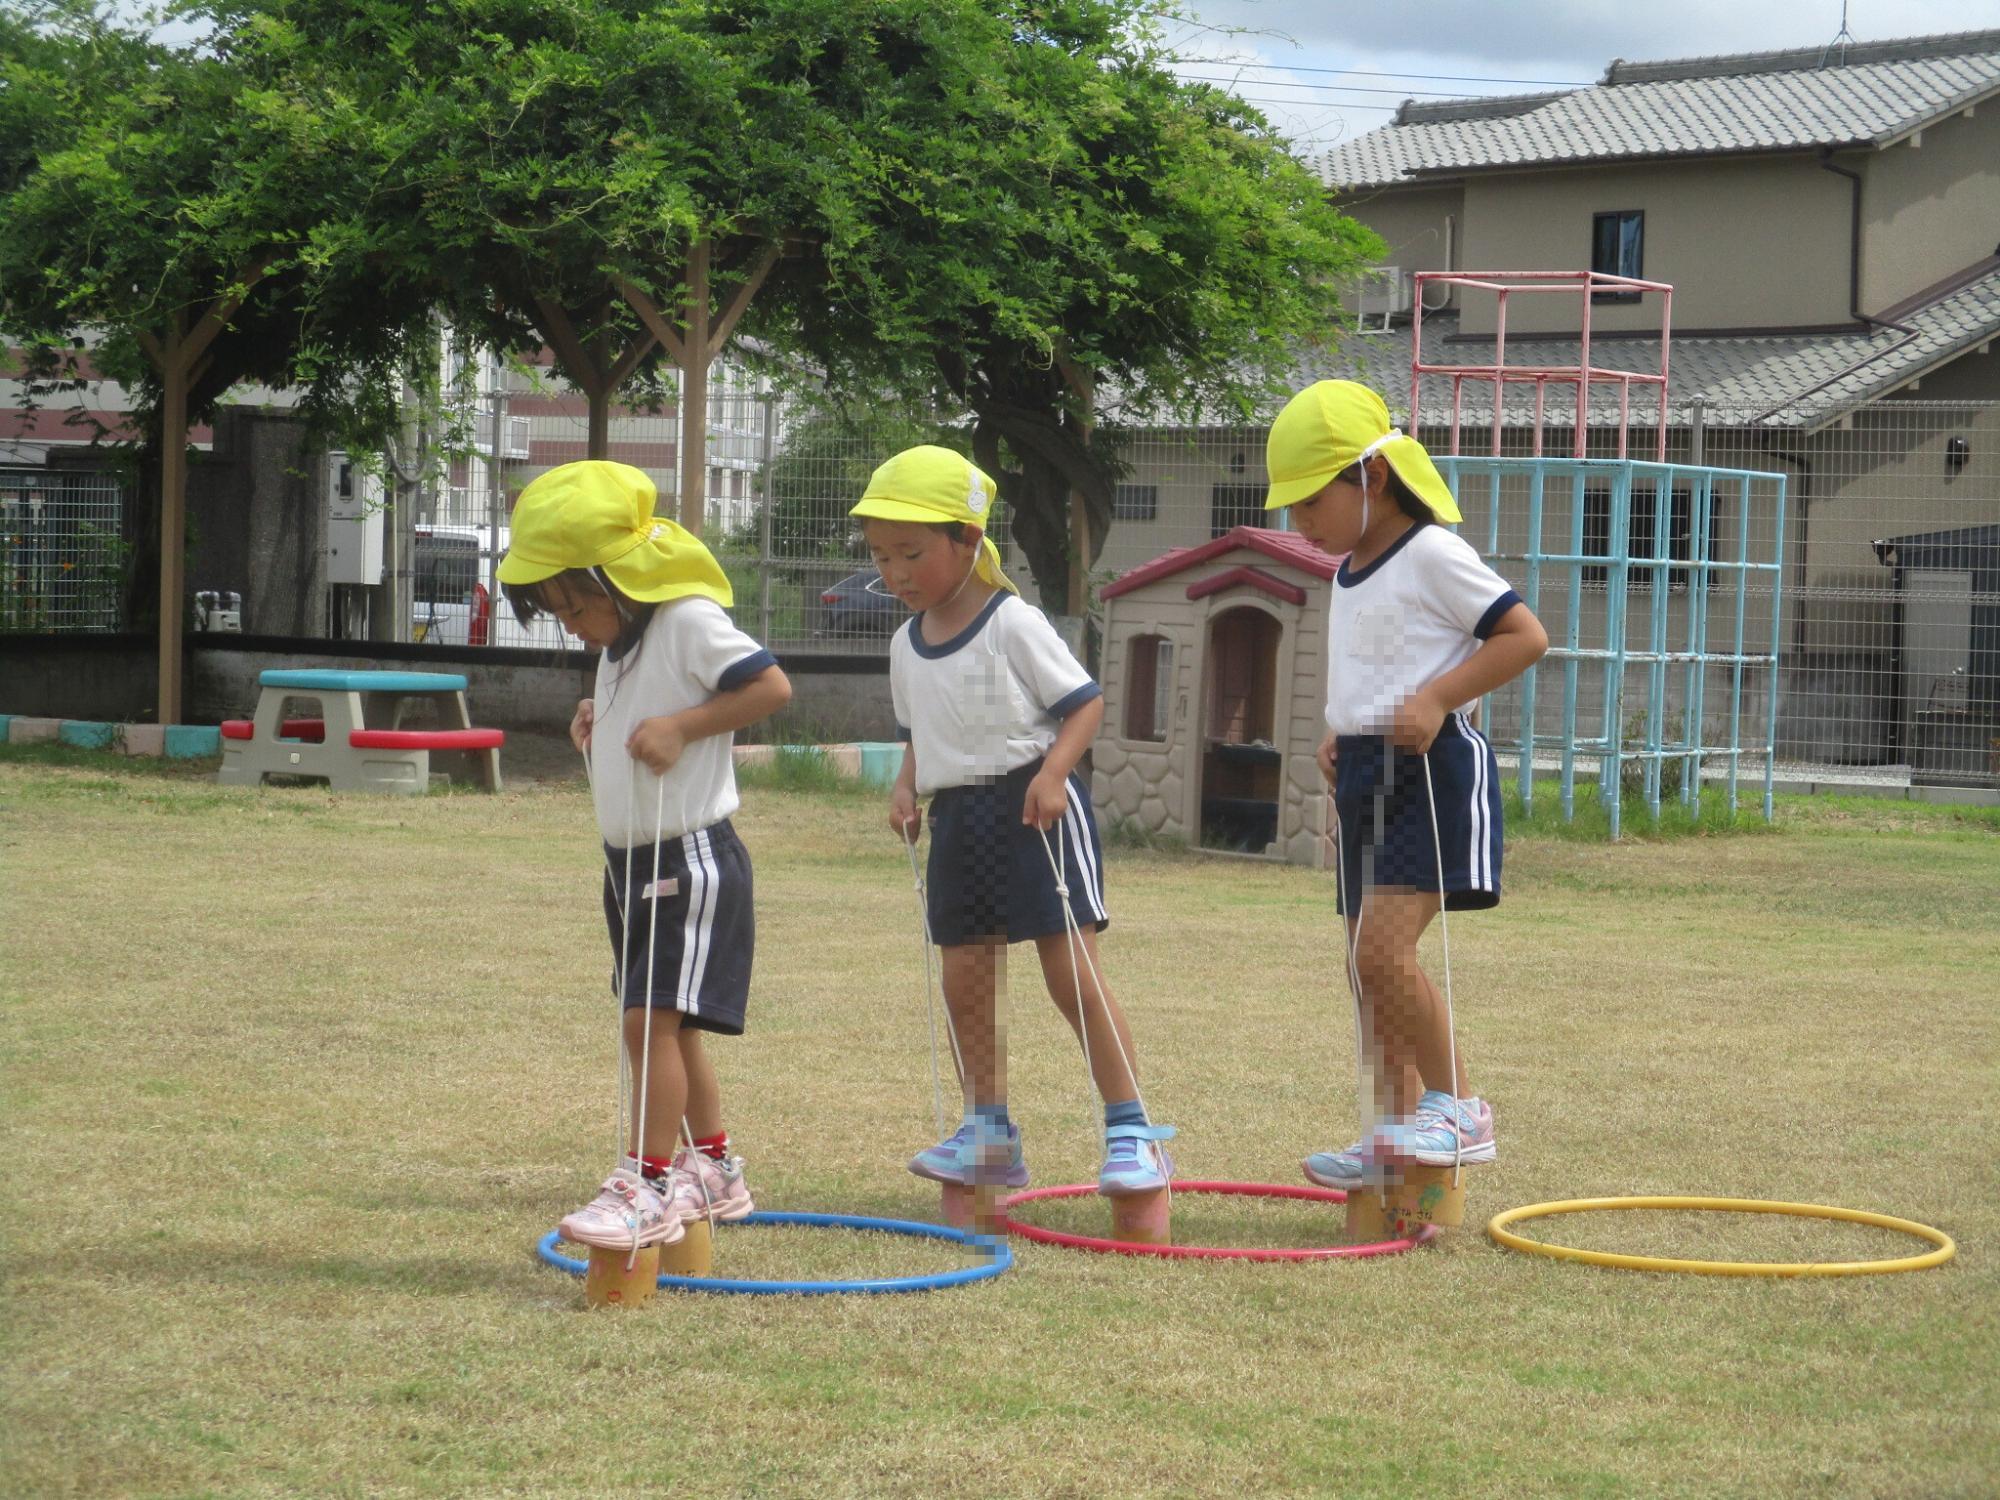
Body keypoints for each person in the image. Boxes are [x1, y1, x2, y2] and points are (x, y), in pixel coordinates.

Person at [850, 445, 1175, 1196]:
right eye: (880, 556)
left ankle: (1133, 1133)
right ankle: (987, 1133)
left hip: (1036, 814)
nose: (896, 573)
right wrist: (907, 790)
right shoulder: (903, 644)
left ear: (967, 539)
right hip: (959, 822)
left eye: (911, 553)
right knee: (966, 979)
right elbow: (916, 734)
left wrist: (1055, 774)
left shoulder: (1012, 623)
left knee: (1071, 977)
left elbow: (1083, 703)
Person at [496, 461, 791, 1251]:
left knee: (649, 1021)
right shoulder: (622, 637)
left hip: (687, 856)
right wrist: (606, 712)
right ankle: (716, 1169)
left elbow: (769, 688)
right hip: (630, 863)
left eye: (571, 603)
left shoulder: (687, 618)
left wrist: (682, 728)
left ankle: (647, 1181)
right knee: (663, 1025)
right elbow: (653, 698)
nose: (567, 622)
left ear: (613, 577)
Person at [1263, 382, 1548, 1186]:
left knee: (1385, 952)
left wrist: (1435, 699)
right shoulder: (1349, 568)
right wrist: (1339, 728)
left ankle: (1461, 1109)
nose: (1298, 523)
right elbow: (1380, 662)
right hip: (1365, 770)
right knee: (1364, 963)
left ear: (1372, 478)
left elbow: (1524, 635)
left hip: (1429, 773)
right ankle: (1390, 1129)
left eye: (1310, 501)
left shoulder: (1431, 552)